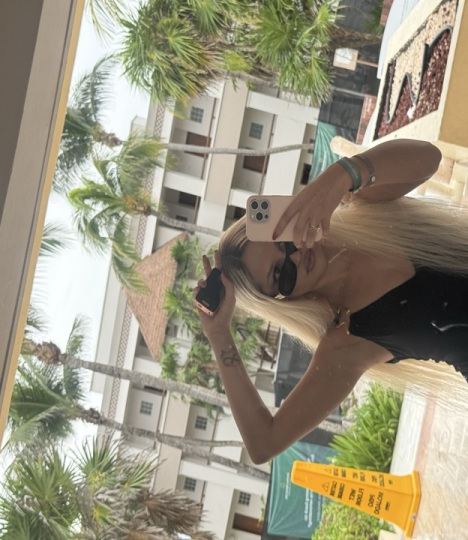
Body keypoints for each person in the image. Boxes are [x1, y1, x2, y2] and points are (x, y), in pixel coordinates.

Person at [194, 138, 468, 465]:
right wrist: (219, 336)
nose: (296, 257)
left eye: (286, 242)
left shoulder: (366, 211)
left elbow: (430, 159)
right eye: (281, 273)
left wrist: (342, 175)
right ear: (281, 299)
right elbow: (263, 444)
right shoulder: (346, 342)